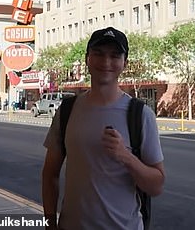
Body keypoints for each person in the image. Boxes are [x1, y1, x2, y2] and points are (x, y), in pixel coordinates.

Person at [41, 27, 165, 230]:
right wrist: (49, 224)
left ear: (124, 63)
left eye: (115, 55)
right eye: (98, 54)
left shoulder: (140, 115)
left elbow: (157, 185)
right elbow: (49, 174)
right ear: (87, 58)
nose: (106, 62)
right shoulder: (67, 111)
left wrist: (126, 157)